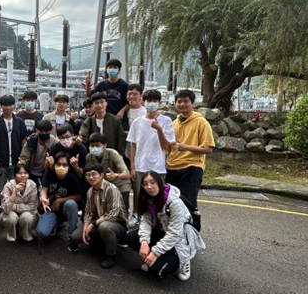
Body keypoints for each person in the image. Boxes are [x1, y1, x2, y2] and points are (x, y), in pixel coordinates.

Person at [124, 171, 205, 281]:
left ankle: (184, 260)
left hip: (179, 240)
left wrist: (155, 252)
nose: (149, 187)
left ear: (160, 183)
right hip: (162, 232)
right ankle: (157, 257)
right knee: (130, 238)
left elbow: (175, 234)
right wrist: (144, 242)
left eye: (153, 182)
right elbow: (145, 222)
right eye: (145, 184)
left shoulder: (174, 203)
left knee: (157, 272)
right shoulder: (148, 199)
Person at [128, 88, 176, 225]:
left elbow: (167, 147)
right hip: (140, 165)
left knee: (157, 194)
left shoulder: (166, 121)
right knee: (138, 194)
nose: (151, 104)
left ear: (160, 103)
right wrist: (132, 167)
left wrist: (159, 129)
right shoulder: (137, 122)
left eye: (155, 101)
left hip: (157, 166)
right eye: (149, 100)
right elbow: (133, 146)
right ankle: (136, 215)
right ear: (144, 101)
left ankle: (157, 218)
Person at [166, 89, 216, 214]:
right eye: (179, 101)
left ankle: (189, 230)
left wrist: (186, 147)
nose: (182, 104)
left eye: (186, 101)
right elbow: (168, 148)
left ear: (192, 103)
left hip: (191, 167)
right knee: (170, 204)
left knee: (187, 203)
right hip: (171, 168)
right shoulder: (173, 124)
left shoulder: (201, 122)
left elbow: (208, 148)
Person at [70, 163, 128, 269]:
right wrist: (85, 229)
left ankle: (111, 255)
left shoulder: (112, 189)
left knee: (104, 227)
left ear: (102, 175)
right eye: (88, 175)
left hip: (117, 224)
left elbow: (114, 212)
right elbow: (88, 212)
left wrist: (93, 224)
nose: (91, 177)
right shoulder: (90, 191)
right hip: (97, 222)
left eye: (94, 174)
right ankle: (100, 241)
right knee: (76, 237)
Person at [0, 94, 28, 217]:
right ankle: (1, 213)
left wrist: (23, 157)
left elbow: (23, 140)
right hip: (0, 162)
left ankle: (12, 212)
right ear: (1, 106)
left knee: (15, 189)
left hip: (16, 162)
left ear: (14, 106)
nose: (8, 108)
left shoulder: (20, 122)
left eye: (10, 105)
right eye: (5, 105)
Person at [35, 151, 82, 241]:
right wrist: (44, 199)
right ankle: (57, 224)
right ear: (54, 164)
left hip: (65, 209)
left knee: (71, 204)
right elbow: (44, 189)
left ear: (69, 167)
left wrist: (59, 200)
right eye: (59, 164)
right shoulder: (50, 173)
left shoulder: (72, 178)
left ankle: (72, 235)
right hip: (52, 209)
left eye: (65, 165)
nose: (61, 167)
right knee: (42, 232)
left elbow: (78, 196)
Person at [84, 133, 131, 212]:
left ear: (105, 145)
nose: (94, 148)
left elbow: (127, 174)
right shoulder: (89, 157)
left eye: (97, 145)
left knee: (122, 208)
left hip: (118, 183)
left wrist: (116, 175)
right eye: (92, 146)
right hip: (101, 185)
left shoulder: (113, 154)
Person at [0, 163, 39, 242]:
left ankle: (25, 233)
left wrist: (16, 207)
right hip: (10, 213)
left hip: (24, 212)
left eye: (25, 173)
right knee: (11, 218)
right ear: (15, 175)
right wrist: (15, 192)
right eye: (19, 173)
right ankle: (11, 233)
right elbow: (5, 208)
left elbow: (33, 206)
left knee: (28, 217)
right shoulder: (8, 185)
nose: (23, 175)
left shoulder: (32, 185)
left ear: (28, 174)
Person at [19, 119, 58, 188]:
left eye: (46, 131)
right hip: (32, 171)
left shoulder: (53, 142)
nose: (44, 133)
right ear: (37, 131)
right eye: (42, 131)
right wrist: (23, 164)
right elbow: (24, 158)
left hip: (46, 172)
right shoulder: (30, 141)